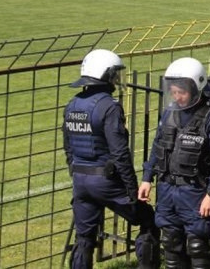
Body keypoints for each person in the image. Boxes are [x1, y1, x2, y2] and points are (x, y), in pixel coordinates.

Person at [63, 49, 159, 269]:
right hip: (105, 181)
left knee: (84, 238)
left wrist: (76, 172)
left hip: (80, 180)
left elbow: (68, 147)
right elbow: (120, 153)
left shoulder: (73, 105)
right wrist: (132, 189)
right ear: (104, 74)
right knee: (148, 220)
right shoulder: (109, 106)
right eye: (114, 73)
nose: (116, 78)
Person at [138, 57, 210, 269]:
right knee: (171, 245)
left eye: (182, 92)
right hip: (167, 191)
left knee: (197, 247)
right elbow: (157, 146)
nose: (177, 97)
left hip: (195, 192)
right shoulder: (170, 112)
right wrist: (146, 179)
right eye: (174, 92)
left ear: (196, 87)